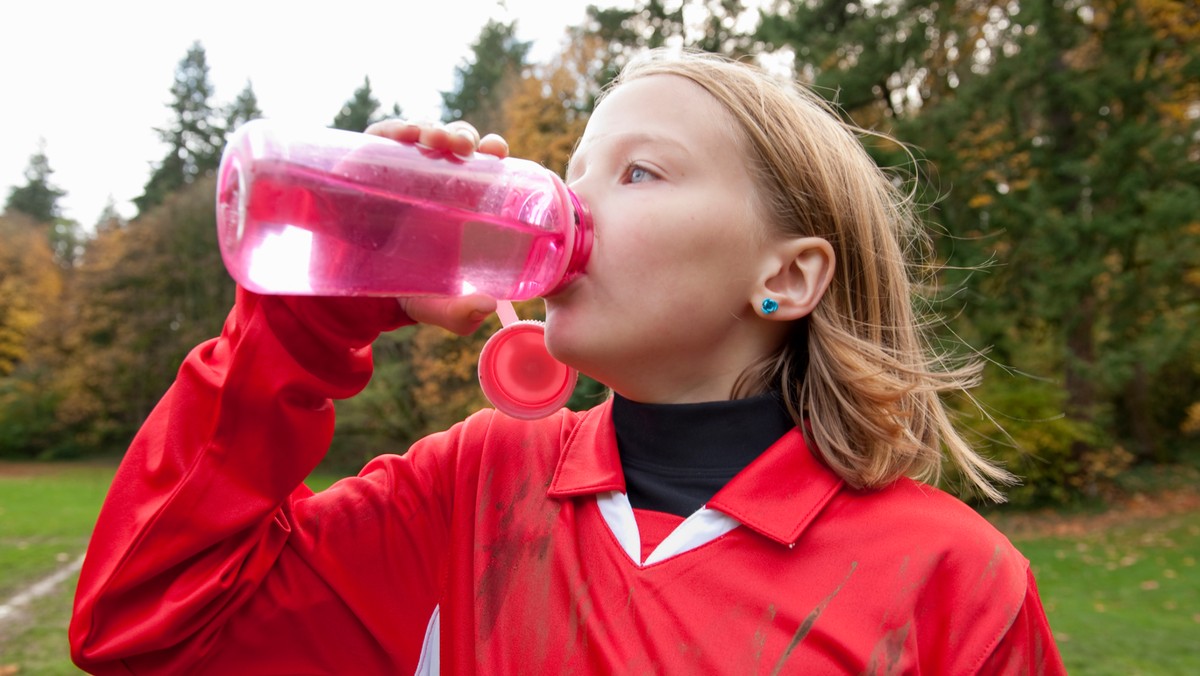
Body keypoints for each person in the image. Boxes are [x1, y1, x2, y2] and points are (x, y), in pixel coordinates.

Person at [70, 48, 1066, 674]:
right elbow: (145, 629)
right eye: (573, 170)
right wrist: (307, 326)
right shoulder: (470, 488)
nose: (574, 206)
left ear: (787, 276)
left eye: (638, 171)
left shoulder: (953, 584)